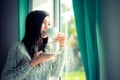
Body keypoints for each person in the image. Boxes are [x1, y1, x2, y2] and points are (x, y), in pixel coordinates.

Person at [1, 10, 66, 80]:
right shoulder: (18, 47)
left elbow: (55, 73)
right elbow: (5, 78)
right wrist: (33, 62)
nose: (47, 27)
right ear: (33, 25)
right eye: (43, 23)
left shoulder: (48, 48)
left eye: (49, 24)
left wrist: (62, 47)